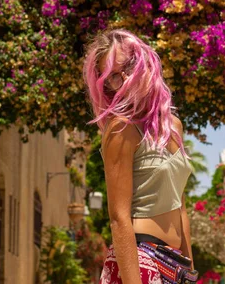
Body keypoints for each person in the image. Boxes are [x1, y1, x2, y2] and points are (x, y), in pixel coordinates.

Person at [83, 29, 197, 284]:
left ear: (143, 62)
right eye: (112, 76)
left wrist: (190, 273)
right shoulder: (121, 128)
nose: (124, 78)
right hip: (139, 259)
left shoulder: (173, 126)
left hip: (172, 263)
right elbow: (118, 217)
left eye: (127, 66)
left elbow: (180, 207)